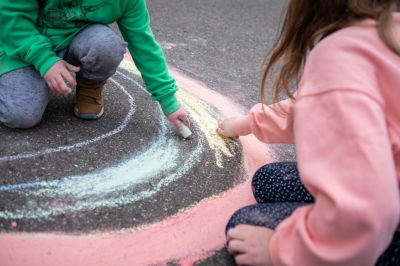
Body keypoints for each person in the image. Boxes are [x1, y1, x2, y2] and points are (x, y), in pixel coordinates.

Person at [217, 1, 400, 265]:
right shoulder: (389, 32)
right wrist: (246, 124)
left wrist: (280, 250)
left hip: (382, 223)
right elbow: (315, 109)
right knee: (269, 179)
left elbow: (369, 212)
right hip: (389, 193)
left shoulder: (341, 57)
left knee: (243, 225)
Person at [0, 0, 190, 130]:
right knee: (21, 116)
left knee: (106, 46)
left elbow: (143, 44)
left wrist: (169, 101)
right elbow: (11, 19)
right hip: (19, 44)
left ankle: (90, 85)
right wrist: (45, 60)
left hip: (73, 38)